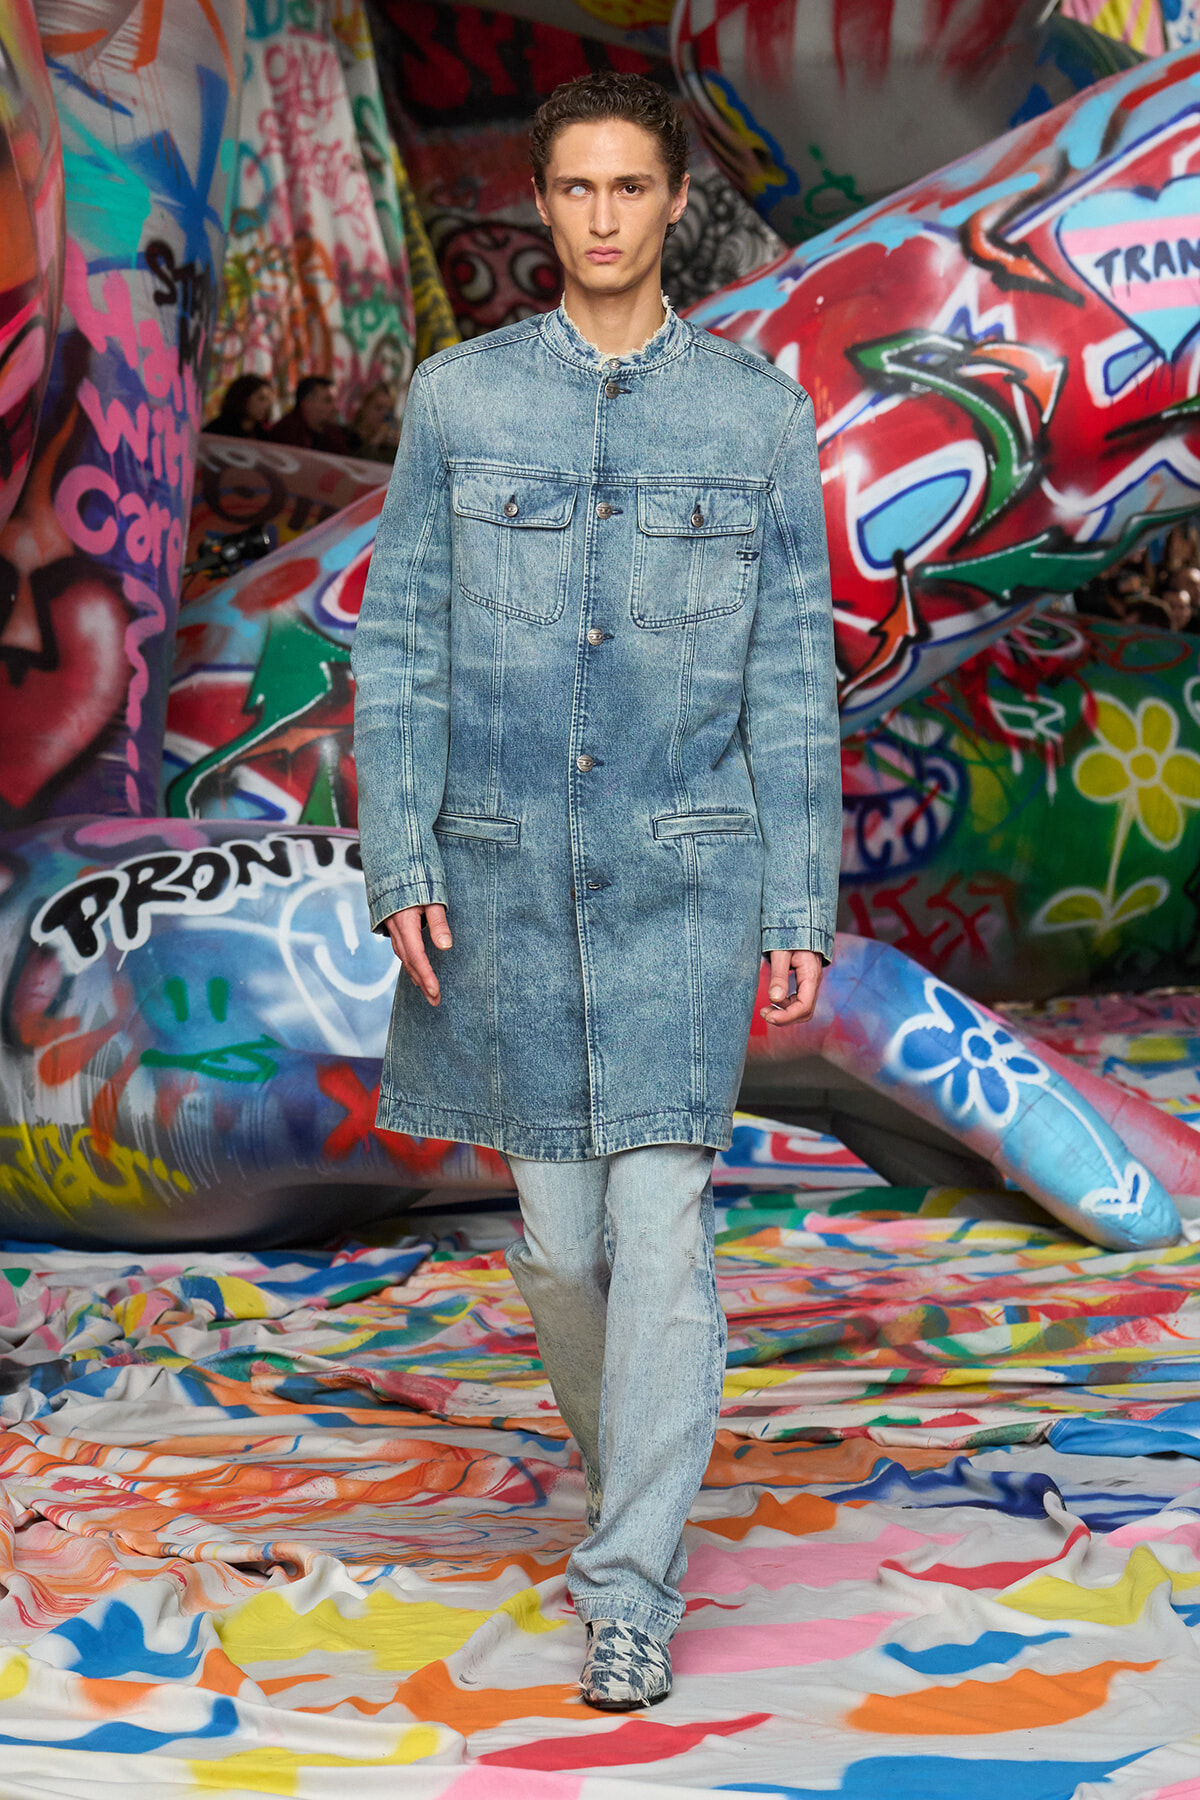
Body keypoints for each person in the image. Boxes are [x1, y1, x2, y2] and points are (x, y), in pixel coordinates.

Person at [352, 72, 840, 1711]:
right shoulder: (460, 403)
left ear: (675, 203)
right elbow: (401, 648)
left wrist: (800, 898)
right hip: (506, 880)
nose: (607, 218)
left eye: (634, 188)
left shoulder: (757, 420)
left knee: (661, 1233)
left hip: (685, 877)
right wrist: (402, 858)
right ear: (543, 202)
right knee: (561, 1253)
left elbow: (792, 677)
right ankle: (634, 1470)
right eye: (579, 189)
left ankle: (628, 1584)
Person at [266, 375, 351, 453]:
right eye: (328, 400)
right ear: (306, 403)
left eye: (335, 401)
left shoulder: (336, 434)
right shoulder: (285, 434)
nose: (335, 408)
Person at [203, 374, 274, 438]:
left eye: (268, 400)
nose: (266, 405)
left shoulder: (263, 435)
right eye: (261, 398)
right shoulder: (217, 430)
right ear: (243, 398)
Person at [346, 382, 401, 462]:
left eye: (389, 410)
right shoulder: (348, 436)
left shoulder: (388, 444)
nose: (384, 415)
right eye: (379, 408)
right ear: (365, 407)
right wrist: (374, 443)